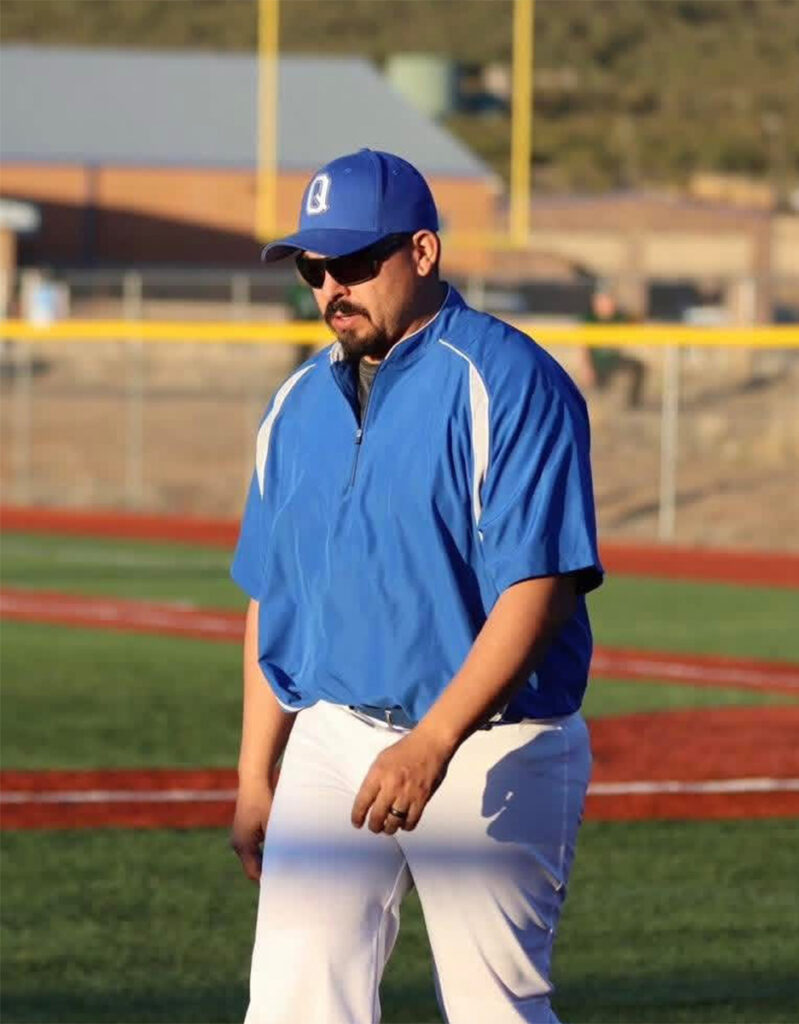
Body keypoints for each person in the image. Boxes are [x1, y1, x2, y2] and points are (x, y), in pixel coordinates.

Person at [229, 148, 604, 1024]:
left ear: (423, 252)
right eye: (314, 269)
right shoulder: (296, 406)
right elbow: (274, 596)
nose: (332, 288)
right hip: (333, 736)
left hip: (492, 742)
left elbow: (539, 589)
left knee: (491, 1010)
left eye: (356, 262)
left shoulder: (510, 382)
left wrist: (433, 741)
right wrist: (255, 774)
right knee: (290, 1005)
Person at [582, 288, 646, 409]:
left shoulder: (618, 317)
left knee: (638, 367)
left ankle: (633, 403)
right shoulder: (590, 319)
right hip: (598, 364)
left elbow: (637, 320)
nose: (607, 306)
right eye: (602, 303)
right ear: (595, 305)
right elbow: (584, 346)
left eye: (609, 302)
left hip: (614, 361)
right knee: (599, 394)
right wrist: (587, 368)